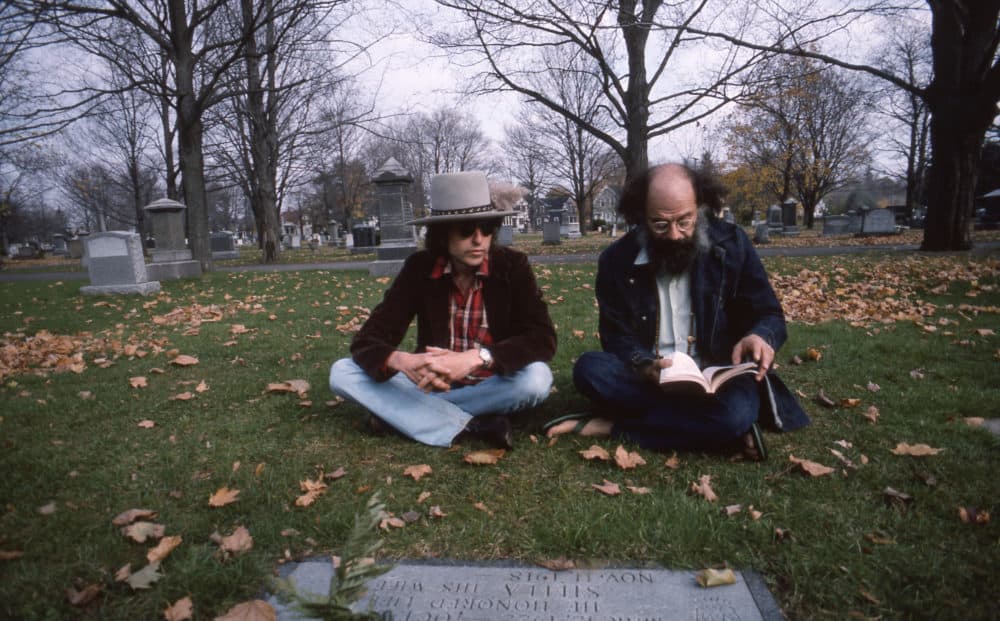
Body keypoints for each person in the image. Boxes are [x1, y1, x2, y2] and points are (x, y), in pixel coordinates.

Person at [545, 163, 809, 459]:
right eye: (659, 224)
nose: (674, 235)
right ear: (641, 216)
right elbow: (616, 337)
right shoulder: (616, 261)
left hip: (717, 381)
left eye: (685, 221)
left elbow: (769, 314)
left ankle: (614, 426)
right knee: (589, 370)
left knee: (735, 411)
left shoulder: (732, 245)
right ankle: (714, 429)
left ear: (700, 207)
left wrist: (761, 336)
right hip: (650, 379)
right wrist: (645, 366)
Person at [329, 171, 556, 449]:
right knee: (341, 372)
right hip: (431, 381)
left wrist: (478, 357)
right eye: (465, 230)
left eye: (486, 228)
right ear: (442, 233)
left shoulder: (512, 266)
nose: (478, 240)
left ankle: (399, 415)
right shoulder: (420, 268)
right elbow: (368, 339)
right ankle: (473, 425)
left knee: (536, 379)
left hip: (493, 381)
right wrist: (401, 361)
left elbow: (542, 338)